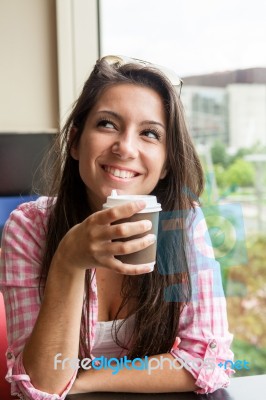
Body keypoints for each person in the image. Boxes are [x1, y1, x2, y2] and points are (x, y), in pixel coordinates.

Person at [0, 55, 234, 399]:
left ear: (167, 163)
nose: (125, 147)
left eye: (149, 133)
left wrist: (85, 381)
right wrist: (69, 261)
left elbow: (208, 363)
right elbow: (41, 387)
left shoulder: (181, 224)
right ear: (76, 142)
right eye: (108, 124)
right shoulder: (28, 228)